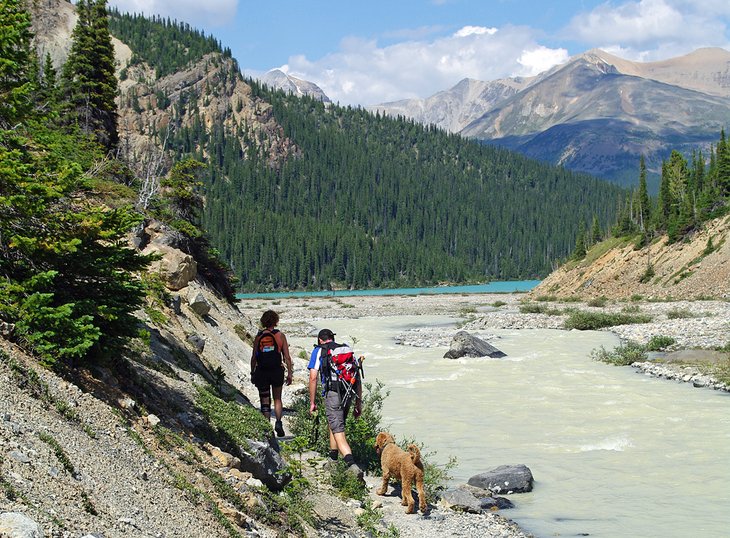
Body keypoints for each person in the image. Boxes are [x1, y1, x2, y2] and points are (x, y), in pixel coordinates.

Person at [308, 328, 363, 478]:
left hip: (333, 393)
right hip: (349, 391)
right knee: (335, 423)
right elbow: (357, 376)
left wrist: (312, 402)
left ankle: (352, 465)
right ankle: (333, 460)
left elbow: (313, 377)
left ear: (320, 340)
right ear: (332, 338)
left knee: (338, 429)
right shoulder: (345, 349)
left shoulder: (319, 351)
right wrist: (358, 403)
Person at [250, 310, 293, 437]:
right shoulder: (280, 336)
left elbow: (254, 357)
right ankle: (278, 422)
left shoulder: (259, 336)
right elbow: (287, 357)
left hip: (262, 371)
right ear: (276, 321)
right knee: (277, 398)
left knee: (265, 399)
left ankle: (267, 427)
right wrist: (289, 373)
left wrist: (253, 372)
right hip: (276, 370)